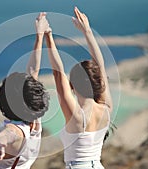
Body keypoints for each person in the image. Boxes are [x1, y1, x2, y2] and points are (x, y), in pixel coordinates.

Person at [44, 7, 112, 169]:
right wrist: (87, 31)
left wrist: (48, 36)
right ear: (98, 82)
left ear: (72, 86)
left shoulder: (77, 117)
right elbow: (100, 67)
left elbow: (58, 74)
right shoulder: (106, 109)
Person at [0, 12, 50, 169]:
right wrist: (40, 36)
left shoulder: (17, 130)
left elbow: (8, 134)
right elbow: (33, 71)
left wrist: (0, 143)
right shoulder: (34, 124)